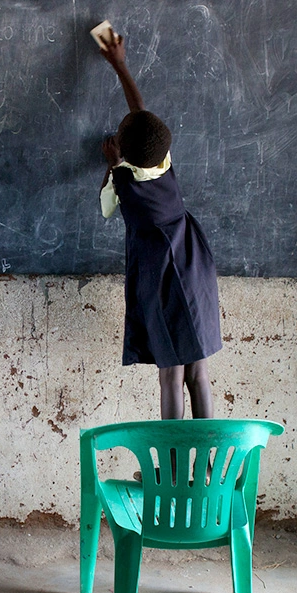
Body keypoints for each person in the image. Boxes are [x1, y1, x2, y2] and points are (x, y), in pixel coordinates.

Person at [97, 32, 222, 420]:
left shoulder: (123, 181)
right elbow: (140, 113)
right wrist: (120, 64)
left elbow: (105, 210)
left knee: (170, 376)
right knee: (198, 373)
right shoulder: (162, 158)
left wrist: (111, 164)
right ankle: (204, 472)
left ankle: (171, 473)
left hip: (160, 273)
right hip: (192, 261)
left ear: (122, 145)